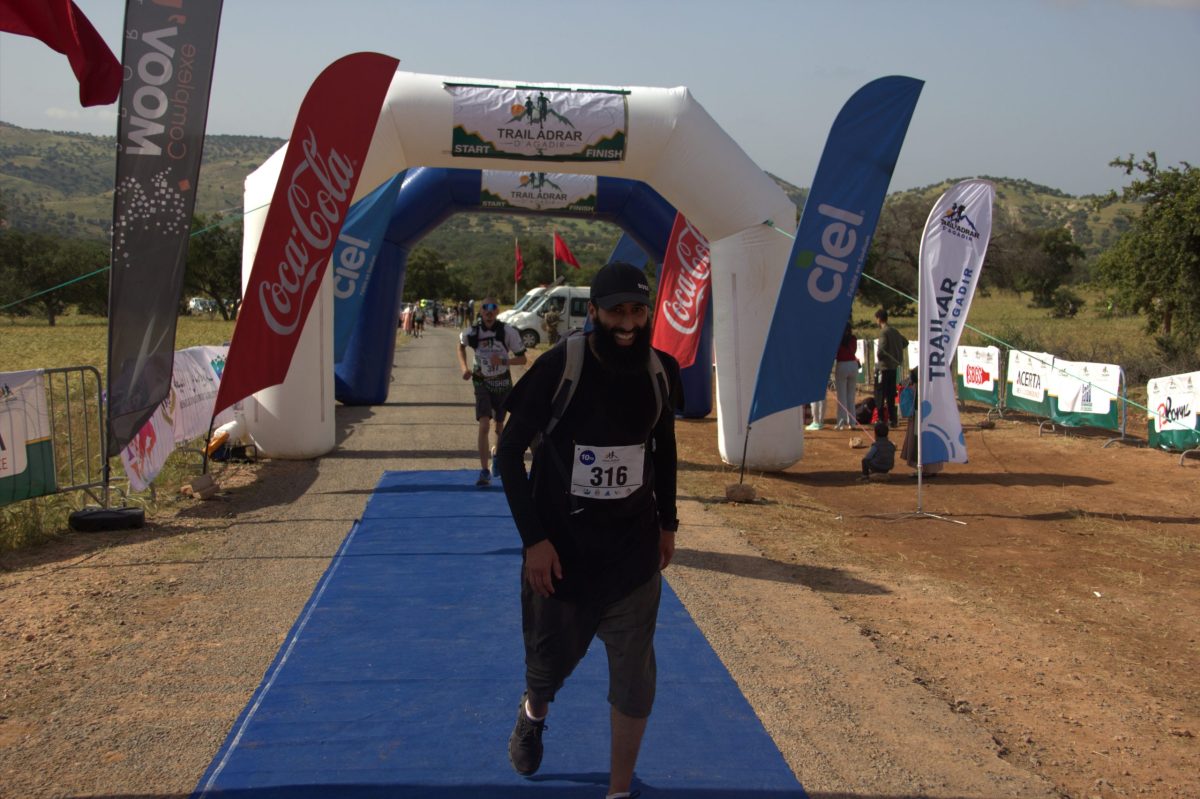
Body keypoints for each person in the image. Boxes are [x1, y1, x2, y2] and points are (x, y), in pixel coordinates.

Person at [494, 261, 680, 799]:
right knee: (547, 669)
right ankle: (533, 714)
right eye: (617, 311)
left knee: (635, 680)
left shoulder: (659, 370)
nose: (628, 323)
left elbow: (664, 449)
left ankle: (618, 791)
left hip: (632, 553)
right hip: (562, 556)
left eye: (638, 311)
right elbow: (509, 454)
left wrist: (667, 523)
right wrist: (534, 541)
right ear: (594, 311)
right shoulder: (560, 367)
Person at [457, 297, 527, 487]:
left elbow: (522, 359)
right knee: (484, 424)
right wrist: (464, 368)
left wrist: (503, 361)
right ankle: (484, 470)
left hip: (502, 383)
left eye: (492, 308)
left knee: (499, 426)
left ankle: (496, 455)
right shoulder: (472, 332)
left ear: (497, 311)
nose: (488, 312)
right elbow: (461, 345)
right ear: (480, 311)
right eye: (485, 308)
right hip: (481, 382)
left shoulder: (507, 332)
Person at [874, 308, 908, 428]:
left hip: (883, 368)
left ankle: (881, 419)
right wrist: (895, 350)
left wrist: (880, 356)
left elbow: (881, 350)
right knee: (890, 395)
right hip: (893, 368)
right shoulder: (895, 331)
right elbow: (905, 342)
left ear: (879, 319)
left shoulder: (884, 332)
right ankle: (893, 420)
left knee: (880, 394)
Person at [833, 322, 859, 430]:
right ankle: (852, 422)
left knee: (841, 396)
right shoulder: (853, 339)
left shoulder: (838, 339)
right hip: (853, 364)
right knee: (851, 396)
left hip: (842, 365)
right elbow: (854, 351)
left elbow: (835, 353)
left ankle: (841, 422)